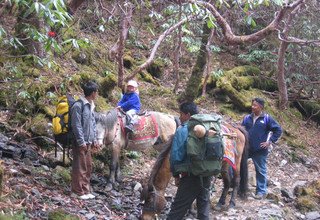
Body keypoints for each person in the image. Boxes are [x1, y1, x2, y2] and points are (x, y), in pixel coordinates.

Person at [167, 102, 212, 220]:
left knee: (176, 210)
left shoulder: (183, 129)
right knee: (203, 210)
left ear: (187, 114)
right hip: (207, 174)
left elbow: (176, 155)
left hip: (191, 175)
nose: (180, 117)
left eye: (181, 114)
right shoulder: (207, 127)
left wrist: (176, 174)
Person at [242, 97, 282, 200]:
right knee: (238, 166)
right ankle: (238, 187)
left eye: (255, 105)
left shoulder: (267, 119)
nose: (252, 107)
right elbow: (241, 130)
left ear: (261, 107)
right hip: (246, 148)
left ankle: (261, 191)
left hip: (260, 149)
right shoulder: (247, 118)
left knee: (260, 170)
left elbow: (278, 130)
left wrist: (269, 141)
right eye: (252, 104)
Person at [70, 81, 100, 200]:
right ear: (92, 93)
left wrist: (95, 139)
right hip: (80, 143)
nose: (96, 94)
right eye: (96, 92)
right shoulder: (78, 106)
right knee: (79, 167)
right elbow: (76, 125)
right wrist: (81, 141)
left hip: (88, 142)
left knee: (87, 167)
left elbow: (92, 123)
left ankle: (85, 190)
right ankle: (77, 191)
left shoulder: (90, 105)